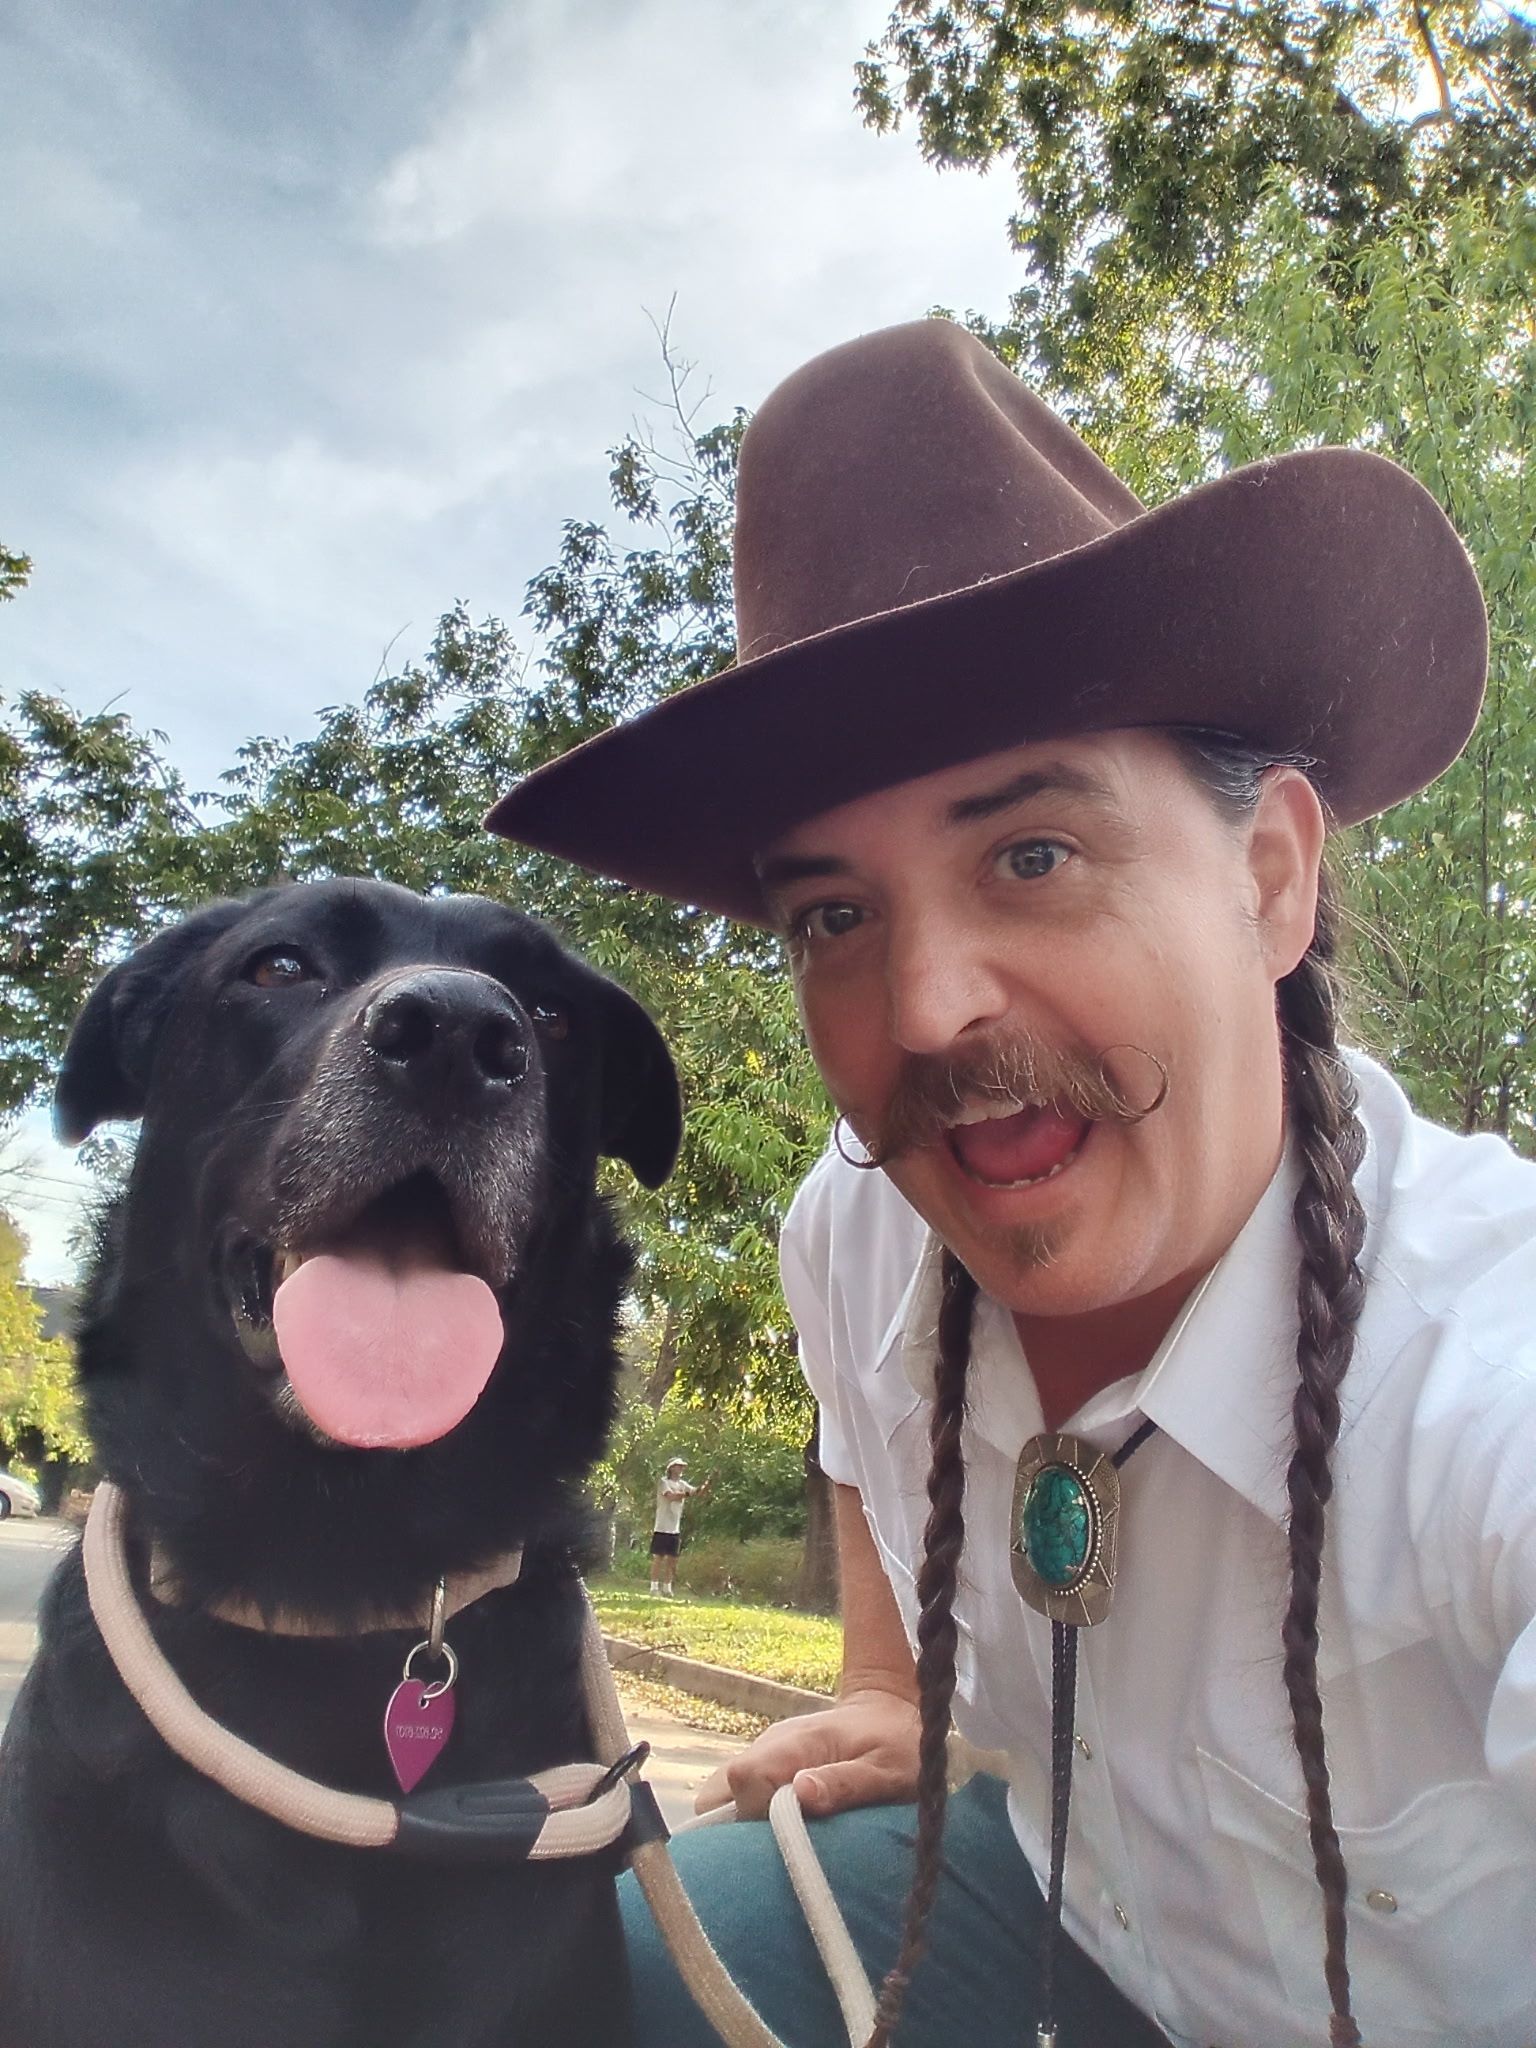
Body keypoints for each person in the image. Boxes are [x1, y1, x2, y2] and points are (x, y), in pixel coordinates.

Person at [487, 321, 1533, 2048]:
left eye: (1031, 854)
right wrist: (892, 1684)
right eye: (834, 913)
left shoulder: (1477, 1387)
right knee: (614, 1967)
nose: (922, 1006)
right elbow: (851, 1427)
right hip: (1066, 1921)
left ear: (1268, 879)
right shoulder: (858, 1221)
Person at [651, 1456, 708, 1595]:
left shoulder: (683, 1484)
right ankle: (654, 1587)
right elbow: (671, 1496)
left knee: (672, 1559)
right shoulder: (664, 1482)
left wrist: (706, 1484)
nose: (681, 1468)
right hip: (662, 1526)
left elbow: (696, 1492)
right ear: (671, 1468)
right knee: (659, 1557)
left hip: (674, 1528)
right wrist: (689, 1494)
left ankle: (667, 1587)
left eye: (682, 1466)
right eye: (678, 1466)